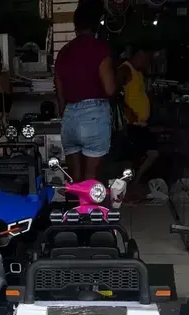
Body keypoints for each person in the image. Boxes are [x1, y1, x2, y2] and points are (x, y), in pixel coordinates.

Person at [54, 3, 115, 182]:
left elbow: (59, 91)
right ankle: (88, 202)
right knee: (91, 179)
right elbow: (110, 88)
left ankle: (74, 201)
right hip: (94, 116)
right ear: (97, 25)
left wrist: (65, 112)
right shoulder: (100, 49)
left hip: (69, 117)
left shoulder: (64, 52)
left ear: (76, 25)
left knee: (74, 179)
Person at [116, 48, 158, 196]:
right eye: (145, 58)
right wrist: (127, 110)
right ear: (137, 56)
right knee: (145, 155)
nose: (146, 62)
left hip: (140, 124)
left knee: (143, 155)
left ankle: (134, 183)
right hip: (132, 124)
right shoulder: (125, 69)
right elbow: (115, 92)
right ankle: (132, 184)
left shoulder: (139, 73)